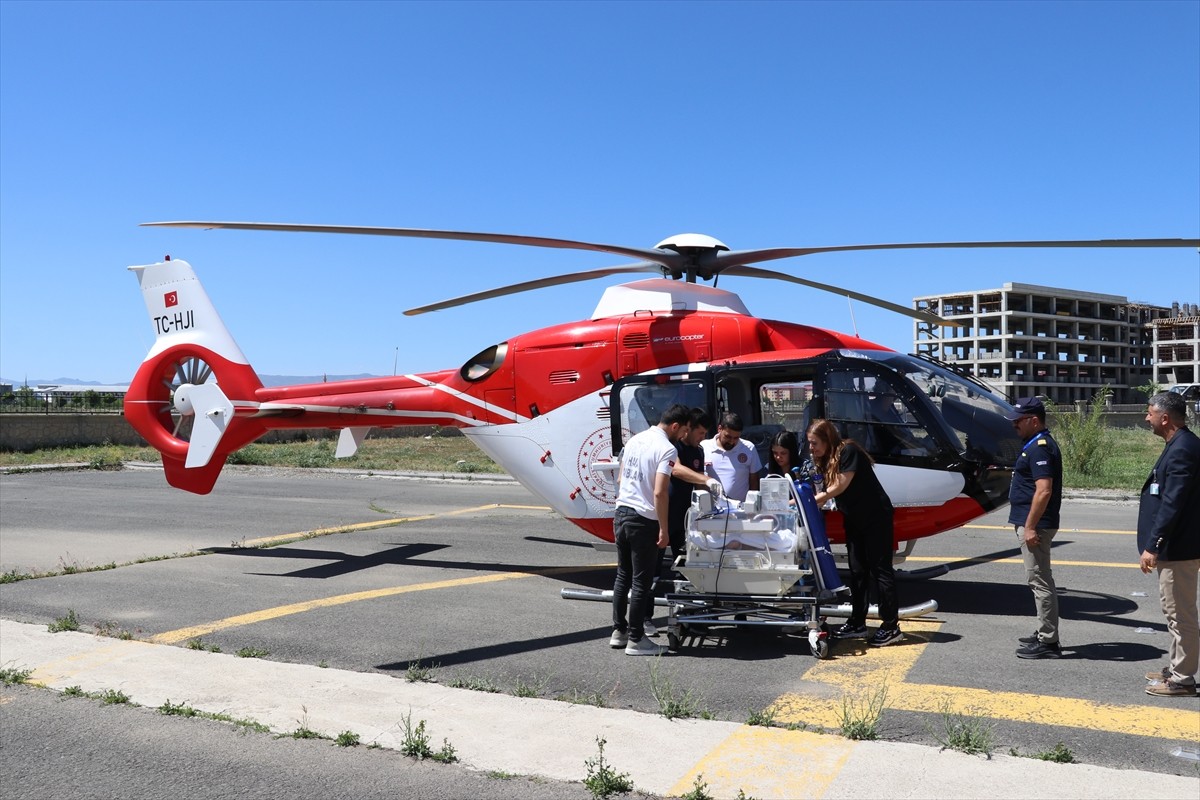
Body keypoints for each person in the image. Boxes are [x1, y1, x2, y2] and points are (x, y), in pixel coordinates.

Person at [807, 418, 902, 646]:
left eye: (814, 443)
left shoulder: (848, 451)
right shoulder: (825, 459)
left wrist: (810, 501)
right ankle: (858, 622)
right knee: (857, 570)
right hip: (854, 518)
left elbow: (840, 485)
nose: (811, 448)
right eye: (809, 443)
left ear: (827, 440)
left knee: (881, 570)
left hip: (875, 517)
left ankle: (891, 626)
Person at [609, 404, 689, 656]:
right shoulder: (667, 448)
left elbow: (621, 478)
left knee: (623, 576)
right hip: (643, 520)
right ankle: (636, 639)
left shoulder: (635, 440)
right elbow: (659, 491)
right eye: (685, 430)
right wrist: (664, 529)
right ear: (675, 426)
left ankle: (619, 631)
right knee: (641, 582)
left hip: (621, 513)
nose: (685, 436)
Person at [1137, 391, 1200, 697]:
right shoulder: (1181, 444)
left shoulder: (1182, 449)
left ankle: (1183, 679)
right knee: (1175, 610)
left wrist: (1153, 544)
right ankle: (1177, 665)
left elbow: (1172, 503)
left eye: (1149, 413)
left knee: (1180, 613)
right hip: (1180, 544)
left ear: (1165, 418)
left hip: (1179, 547)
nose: (1146, 418)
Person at [1005, 396, 1064, 659]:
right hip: (1032, 521)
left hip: (1036, 524)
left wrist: (1029, 527)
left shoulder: (1040, 447)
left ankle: (1049, 641)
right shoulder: (1033, 444)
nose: (1014, 424)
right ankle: (1044, 631)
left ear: (1034, 420)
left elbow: (1044, 491)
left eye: (1019, 420)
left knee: (1039, 580)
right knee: (1038, 578)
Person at [701, 412, 762, 501]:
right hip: (711, 510)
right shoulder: (704, 447)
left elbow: (754, 481)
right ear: (719, 429)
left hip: (740, 510)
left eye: (736, 438)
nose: (731, 442)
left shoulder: (749, 448)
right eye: (728, 437)